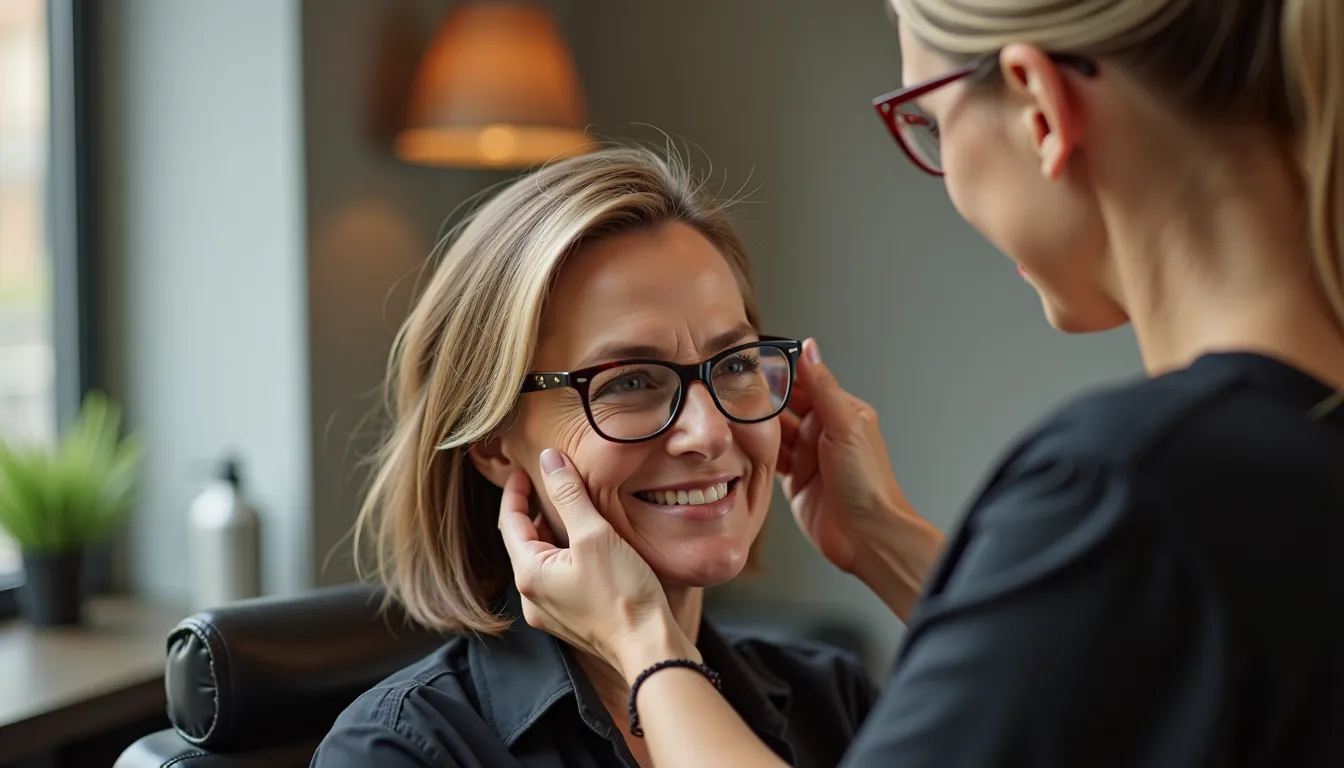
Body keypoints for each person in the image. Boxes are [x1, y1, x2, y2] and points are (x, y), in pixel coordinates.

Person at [496, 0, 1344, 765]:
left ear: (1038, 104)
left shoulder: (1134, 483)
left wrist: (641, 638)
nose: (707, 431)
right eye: (632, 381)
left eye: (929, 123)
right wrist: (886, 541)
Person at [311, 146, 892, 768]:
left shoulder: (833, 700)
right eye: (629, 381)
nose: (710, 432)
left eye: (737, 363)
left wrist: (883, 537)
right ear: (491, 444)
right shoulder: (399, 753)